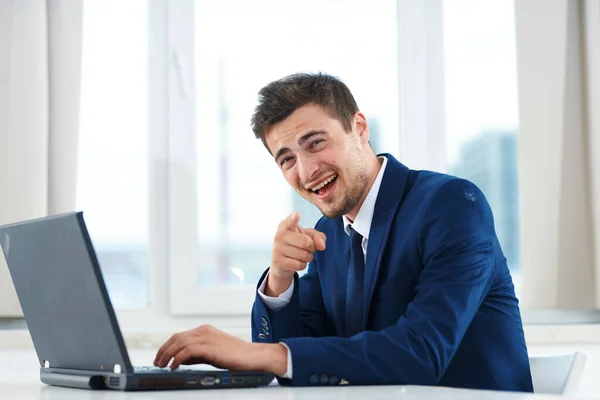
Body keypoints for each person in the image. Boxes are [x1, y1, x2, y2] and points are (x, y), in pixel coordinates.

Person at [154, 72, 533, 391]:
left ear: (359, 129)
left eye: (315, 142)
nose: (305, 171)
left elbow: (421, 353)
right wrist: (280, 283)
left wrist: (254, 352)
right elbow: (297, 363)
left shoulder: (451, 204)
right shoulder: (329, 233)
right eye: (286, 159)